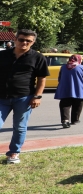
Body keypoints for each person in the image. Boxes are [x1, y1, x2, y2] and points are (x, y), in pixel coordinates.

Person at [0, 29, 49, 164]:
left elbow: (41, 79)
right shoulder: (3, 55)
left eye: (28, 41)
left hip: (24, 97)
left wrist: (37, 96)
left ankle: (13, 153)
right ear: (15, 39)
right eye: (21, 39)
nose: (24, 42)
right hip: (2, 97)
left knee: (20, 127)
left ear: (33, 43)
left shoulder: (38, 57)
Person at [54, 54, 83, 128]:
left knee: (65, 105)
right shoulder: (82, 67)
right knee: (78, 105)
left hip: (65, 89)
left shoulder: (63, 67)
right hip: (79, 89)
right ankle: (75, 119)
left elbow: (59, 78)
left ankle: (65, 120)